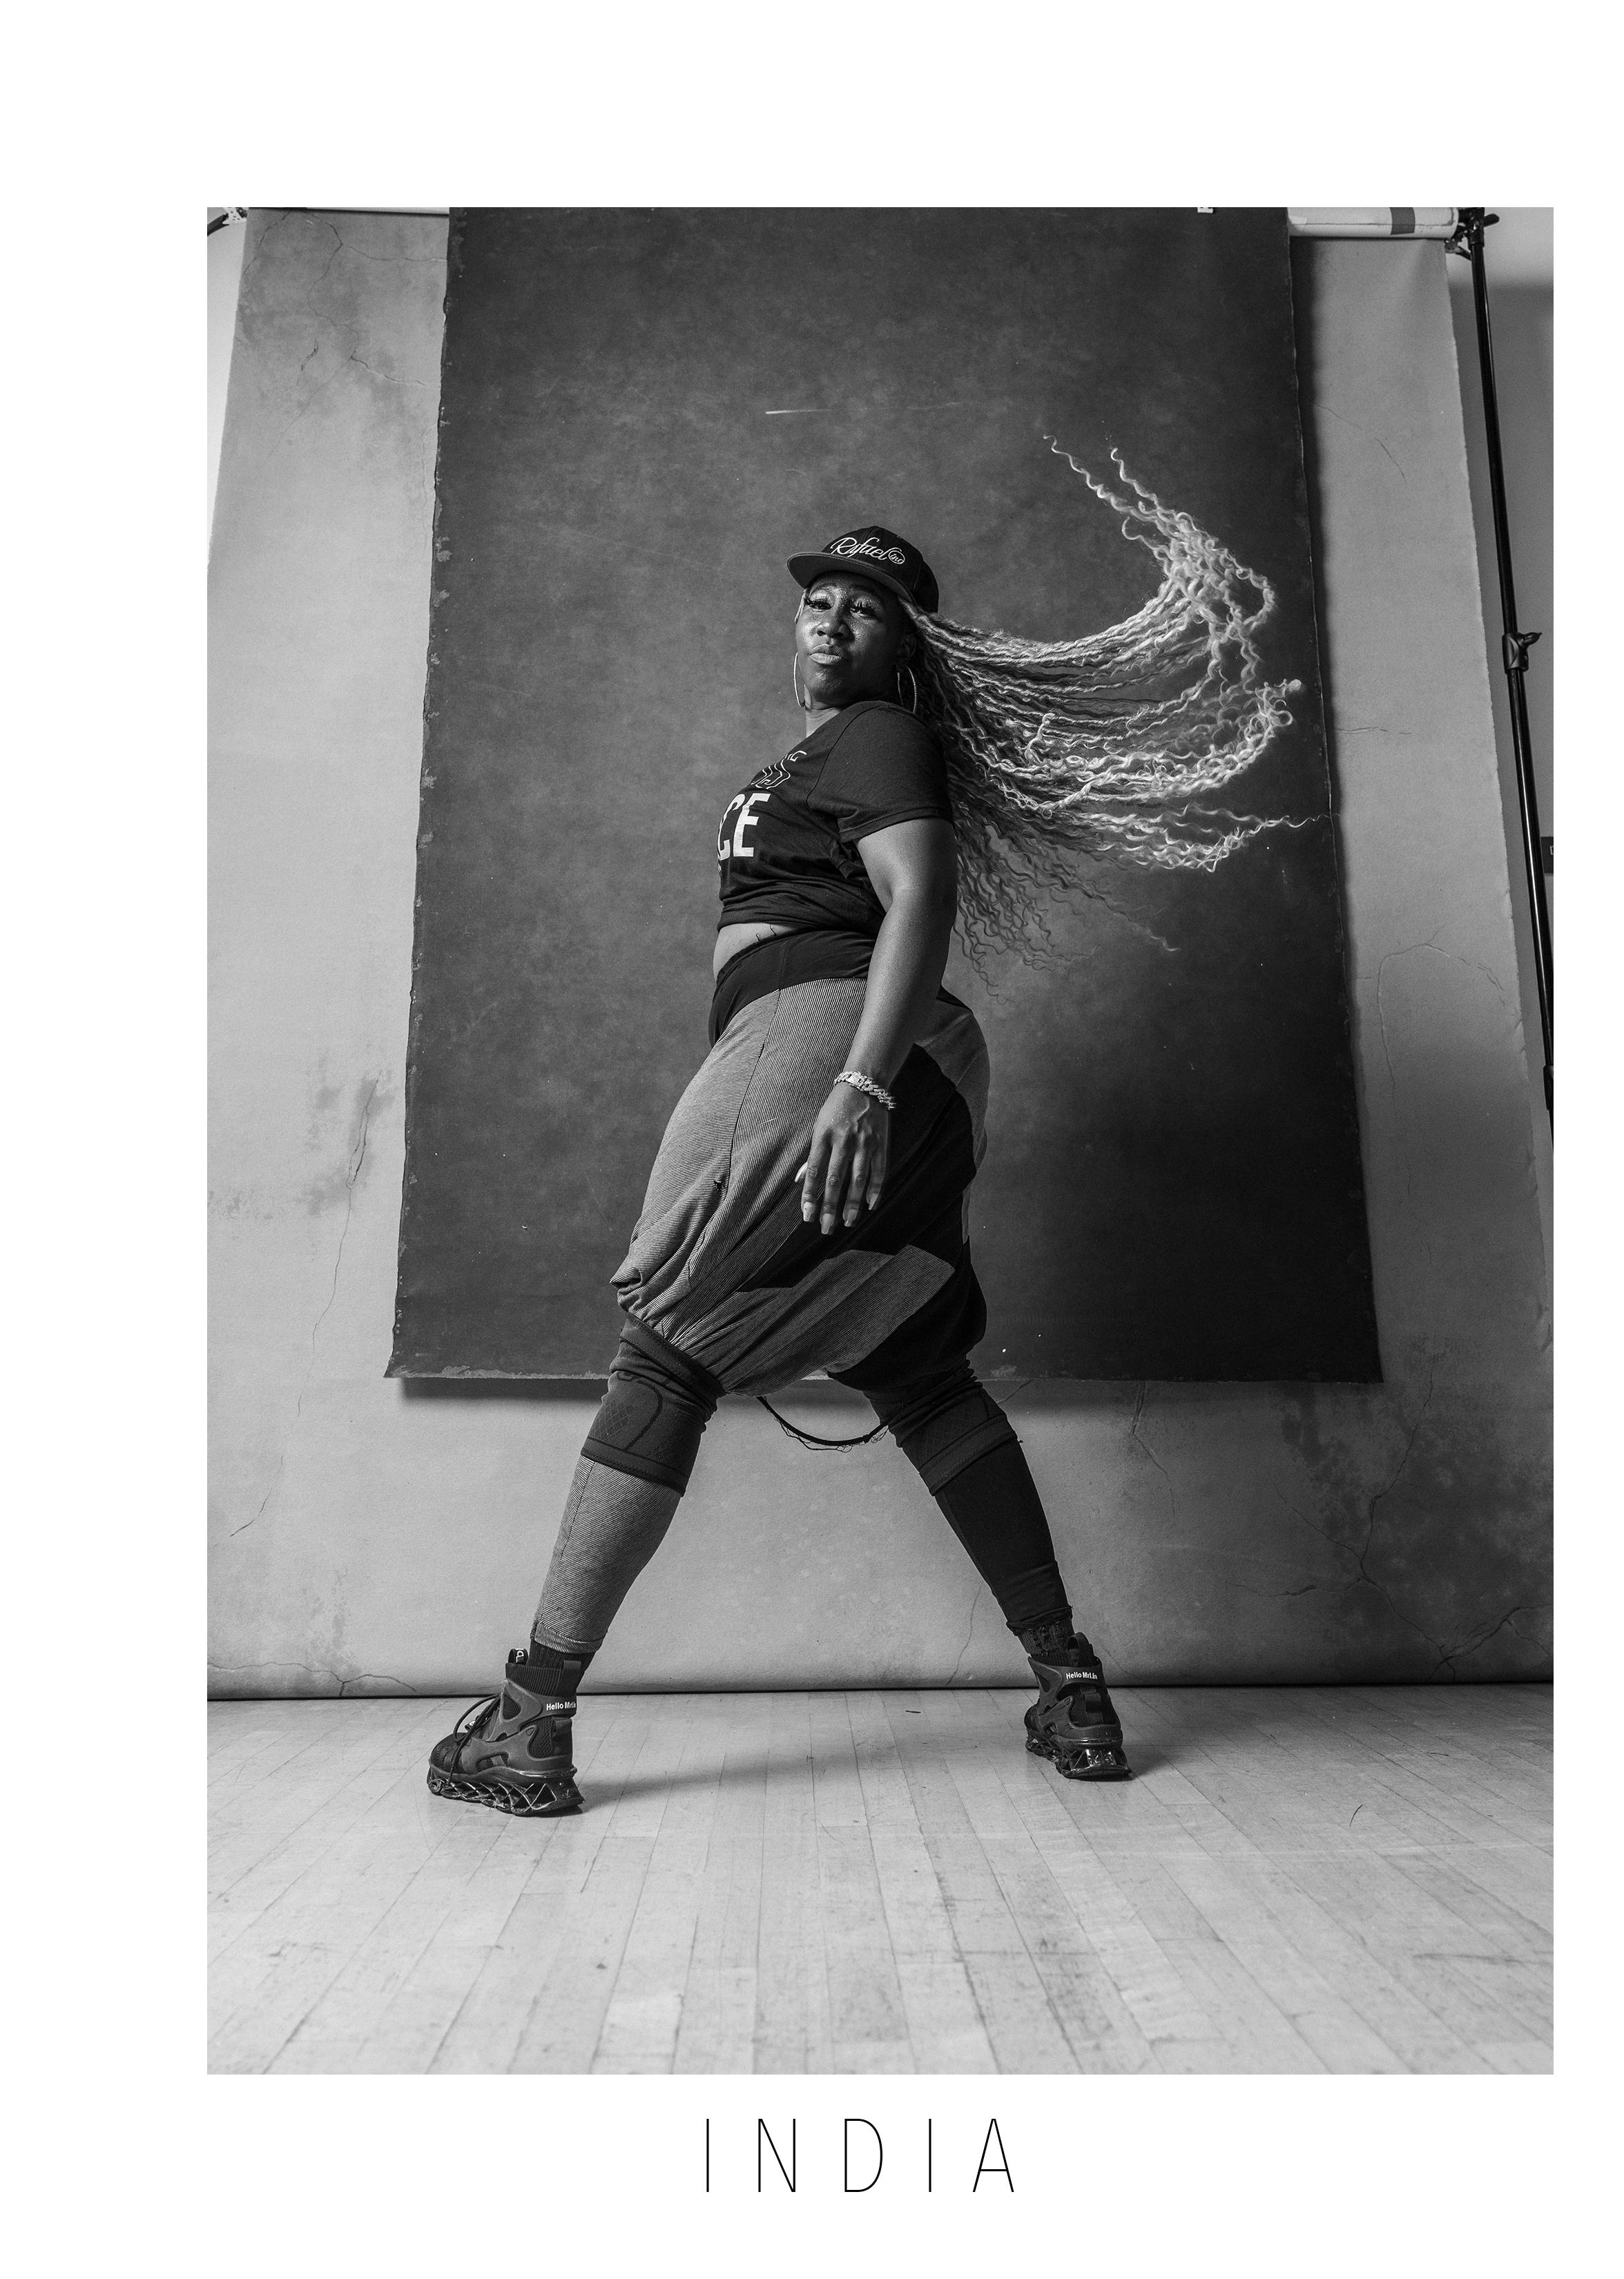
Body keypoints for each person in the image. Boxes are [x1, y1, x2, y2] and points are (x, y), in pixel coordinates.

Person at [429, 472, 1298, 1818]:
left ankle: (530, 1722)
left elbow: (921, 895)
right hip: (907, 1067)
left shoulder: (879, 736)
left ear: (908, 647)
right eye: (819, 600)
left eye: (868, 608)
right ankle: (1070, 1686)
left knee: (664, 1356)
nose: (832, 619)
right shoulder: (841, 750)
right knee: (921, 1374)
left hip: (832, 1043)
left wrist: (856, 1082)